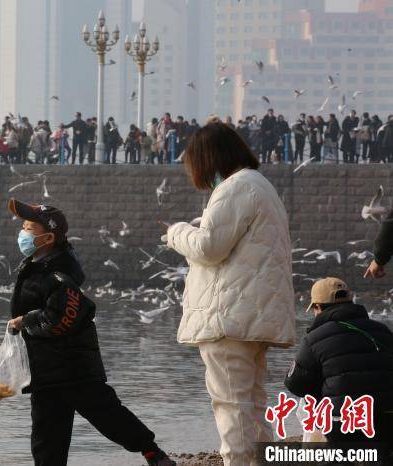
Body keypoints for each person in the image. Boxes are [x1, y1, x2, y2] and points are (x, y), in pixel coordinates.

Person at [6, 198, 175, 466]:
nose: (22, 233)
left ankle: (154, 454)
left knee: (107, 416)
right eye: (23, 226)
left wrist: (23, 321)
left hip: (73, 369)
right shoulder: (38, 264)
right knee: (46, 438)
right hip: (46, 372)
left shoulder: (59, 274)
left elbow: (61, 318)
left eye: (29, 228)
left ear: (48, 237)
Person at [164, 122, 294, 465]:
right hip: (253, 315)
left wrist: (177, 232)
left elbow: (208, 248)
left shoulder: (236, 187)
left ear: (210, 158)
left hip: (228, 319)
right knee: (252, 403)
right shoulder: (261, 186)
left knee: (231, 406)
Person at [284, 278, 393, 449]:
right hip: (386, 418)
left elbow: (295, 384)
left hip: (343, 422)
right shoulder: (383, 330)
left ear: (318, 308)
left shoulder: (314, 338)